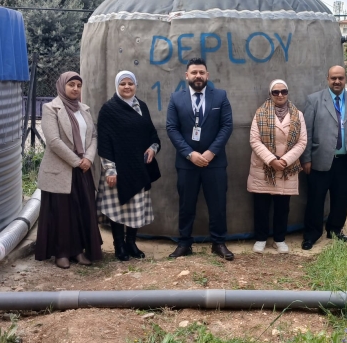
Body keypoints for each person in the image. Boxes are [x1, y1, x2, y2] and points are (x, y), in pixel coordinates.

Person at [166, 57, 234, 260]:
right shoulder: (176, 98)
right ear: (186, 75)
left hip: (215, 162)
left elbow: (227, 126)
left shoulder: (220, 96)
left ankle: (218, 243)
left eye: (201, 72)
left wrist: (211, 152)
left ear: (207, 75)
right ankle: (184, 243)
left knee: (218, 204)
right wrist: (190, 154)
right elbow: (171, 128)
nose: (198, 76)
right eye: (194, 72)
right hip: (187, 163)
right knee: (186, 205)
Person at [35, 72, 102, 269]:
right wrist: (77, 161)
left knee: (81, 210)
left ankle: (79, 251)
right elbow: (53, 141)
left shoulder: (84, 109)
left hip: (83, 169)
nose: (75, 88)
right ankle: (61, 253)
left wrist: (88, 158)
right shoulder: (51, 108)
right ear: (62, 86)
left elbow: (93, 136)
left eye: (78, 85)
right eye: (71, 84)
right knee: (62, 213)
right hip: (61, 170)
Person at [96, 71, 161, 261]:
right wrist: (110, 169)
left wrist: (153, 148)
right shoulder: (109, 109)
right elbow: (104, 142)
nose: (127, 87)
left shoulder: (142, 106)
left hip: (138, 167)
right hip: (117, 169)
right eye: (122, 83)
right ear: (117, 86)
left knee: (135, 208)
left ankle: (131, 243)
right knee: (118, 208)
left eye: (130, 83)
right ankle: (119, 245)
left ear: (135, 85)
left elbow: (151, 133)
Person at [300, 65, 347, 250]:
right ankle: (311, 234)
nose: (337, 81)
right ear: (327, 79)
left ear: (345, 79)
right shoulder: (314, 100)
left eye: (340, 78)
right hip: (320, 159)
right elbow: (307, 132)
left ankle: (335, 230)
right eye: (333, 78)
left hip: (346, 160)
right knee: (315, 200)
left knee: (341, 198)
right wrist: (306, 158)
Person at [247, 80, 307, 253]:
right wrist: (272, 160)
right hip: (263, 168)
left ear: (287, 92)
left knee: (282, 207)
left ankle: (279, 239)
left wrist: (285, 161)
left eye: (283, 91)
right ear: (270, 94)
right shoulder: (260, 113)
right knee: (261, 207)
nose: (280, 95)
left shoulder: (298, 115)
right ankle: (261, 238)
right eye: (276, 92)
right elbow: (254, 140)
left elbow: (302, 142)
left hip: (287, 168)